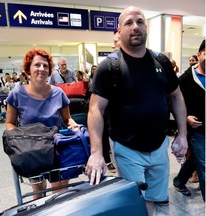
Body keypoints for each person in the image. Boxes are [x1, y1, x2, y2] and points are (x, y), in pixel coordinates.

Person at [85, 6, 187, 216]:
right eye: (129, 23)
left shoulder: (161, 61)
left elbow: (176, 96)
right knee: (137, 201)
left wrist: (183, 134)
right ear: (119, 30)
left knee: (158, 199)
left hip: (159, 146)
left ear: (146, 28)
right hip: (127, 148)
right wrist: (96, 152)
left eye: (140, 22)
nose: (135, 27)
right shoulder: (109, 66)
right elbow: (96, 109)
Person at [6, 48, 78, 200]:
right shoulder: (17, 94)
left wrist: (73, 125)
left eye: (45, 66)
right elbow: (10, 124)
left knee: (60, 195)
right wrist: (19, 141)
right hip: (33, 150)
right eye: (37, 65)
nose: (42, 69)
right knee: (38, 195)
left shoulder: (58, 93)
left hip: (57, 148)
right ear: (28, 69)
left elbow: (67, 119)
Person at [173, 39, 205, 201]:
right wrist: (185, 118)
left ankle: (179, 181)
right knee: (204, 165)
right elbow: (174, 101)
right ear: (199, 54)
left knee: (196, 159)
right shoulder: (185, 79)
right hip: (195, 130)